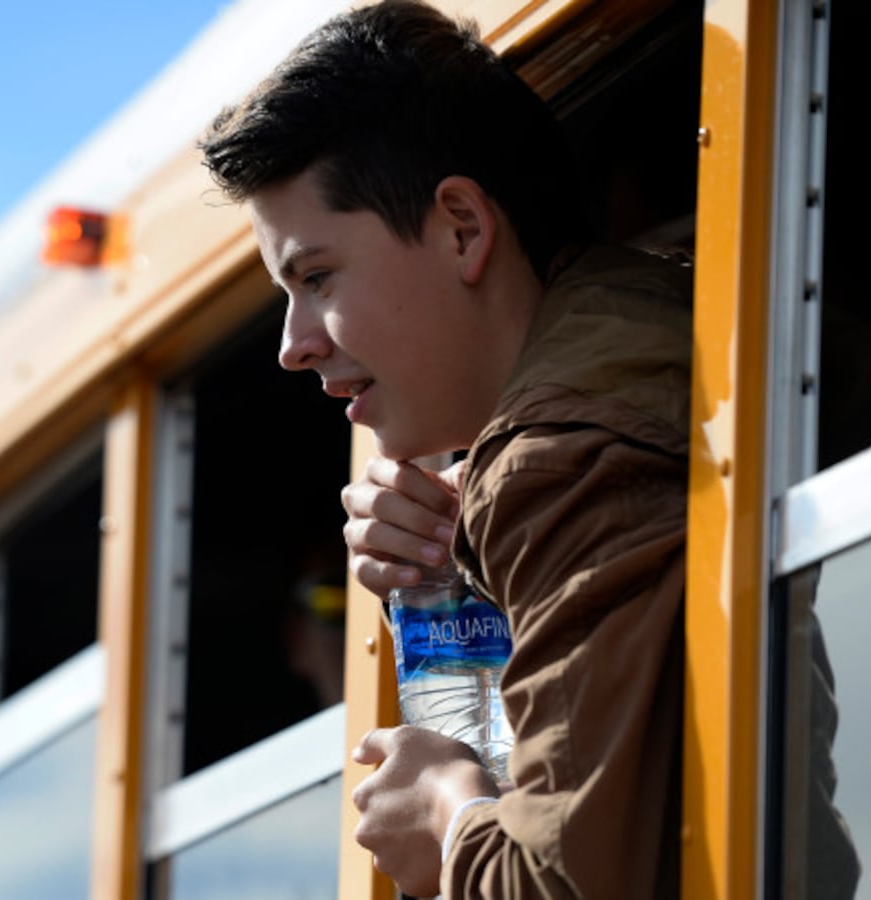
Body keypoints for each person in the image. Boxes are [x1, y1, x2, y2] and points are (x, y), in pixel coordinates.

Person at [200, 2, 691, 897]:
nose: (292, 343)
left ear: (463, 227)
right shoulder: (642, 352)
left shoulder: (559, 454)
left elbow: (564, 882)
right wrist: (458, 569)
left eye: (316, 278)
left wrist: (441, 807)